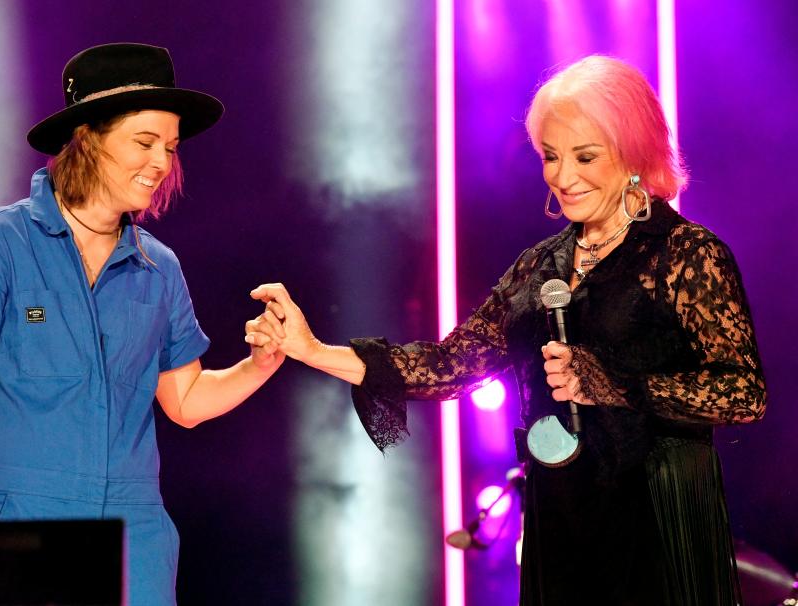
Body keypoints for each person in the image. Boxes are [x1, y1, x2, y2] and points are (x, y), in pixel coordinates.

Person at [246, 55, 766, 605]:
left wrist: (615, 384)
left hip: (656, 514)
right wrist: (311, 350)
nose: (562, 177)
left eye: (584, 156)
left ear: (634, 152)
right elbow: (448, 367)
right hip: (562, 513)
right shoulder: (539, 266)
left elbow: (743, 393)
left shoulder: (687, 255)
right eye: (550, 156)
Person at [0, 43, 284, 606]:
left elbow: (186, 400)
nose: (161, 163)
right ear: (88, 137)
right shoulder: (0, 243)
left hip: (135, 541)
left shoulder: (159, 266)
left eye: (170, 148)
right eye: (145, 141)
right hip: (18, 528)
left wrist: (260, 364)